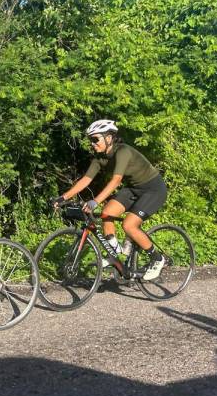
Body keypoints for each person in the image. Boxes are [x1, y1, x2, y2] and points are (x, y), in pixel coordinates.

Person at [52, 119, 169, 280]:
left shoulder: (123, 152)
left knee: (129, 225)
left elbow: (116, 181)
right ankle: (117, 255)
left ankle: (157, 259)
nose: (93, 143)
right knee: (107, 214)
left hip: (153, 190)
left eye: (95, 139)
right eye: (90, 140)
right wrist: (62, 197)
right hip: (134, 189)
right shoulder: (100, 158)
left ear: (109, 137)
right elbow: (86, 179)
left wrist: (95, 201)